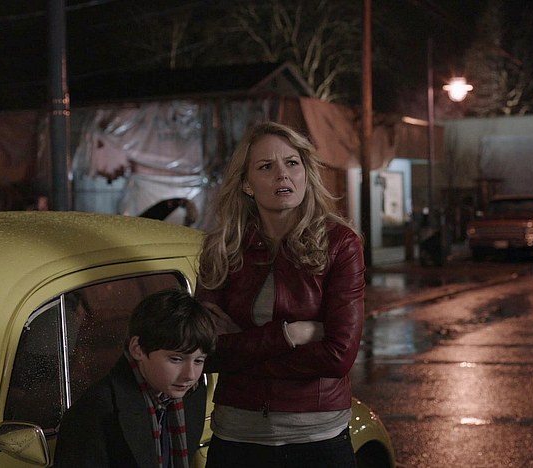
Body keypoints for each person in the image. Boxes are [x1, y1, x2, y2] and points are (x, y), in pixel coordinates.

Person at [196, 121, 365, 468]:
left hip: (317, 438)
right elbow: (207, 352)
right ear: (246, 184)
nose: (282, 174)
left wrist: (244, 344)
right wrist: (292, 334)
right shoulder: (223, 247)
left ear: (306, 173)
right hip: (237, 437)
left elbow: (338, 356)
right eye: (265, 166)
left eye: (291, 163)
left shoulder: (340, 244)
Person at [54, 289, 216, 468]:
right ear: (137, 349)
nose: (190, 375)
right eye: (176, 359)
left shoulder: (192, 395)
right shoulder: (94, 412)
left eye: (199, 361)